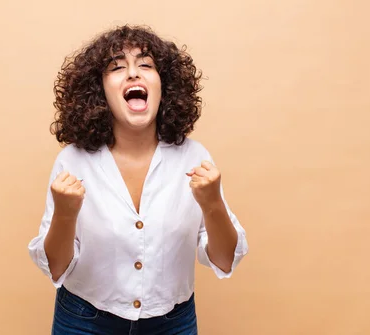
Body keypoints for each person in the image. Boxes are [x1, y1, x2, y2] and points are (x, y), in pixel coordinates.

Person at [28, 25, 249, 335]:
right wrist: (65, 214)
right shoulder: (72, 161)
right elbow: (56, 267)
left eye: (145, 65)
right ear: (99, 89)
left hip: (173, 324)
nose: (133, 74)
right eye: (117, 67)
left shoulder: (195, 158)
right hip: (83, 321)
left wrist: (212, 204)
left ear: (165, 85)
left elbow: (225, 260)